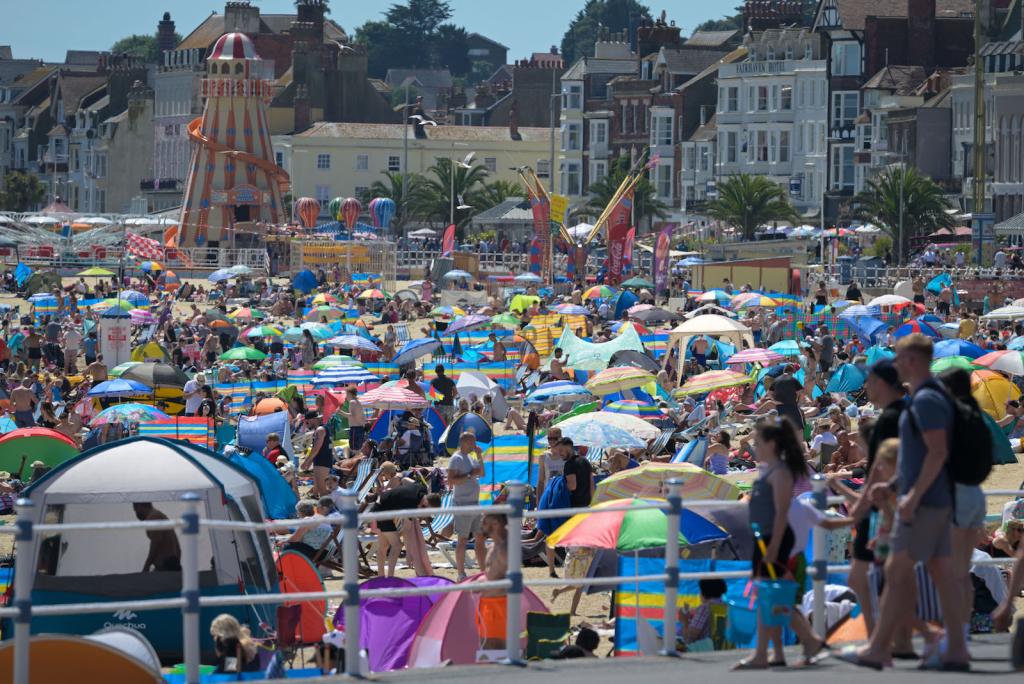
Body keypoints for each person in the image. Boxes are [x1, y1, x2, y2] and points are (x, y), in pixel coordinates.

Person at [845, 333, 970, 671]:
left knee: (896, 571)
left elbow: (937, 452)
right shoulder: (928, 397)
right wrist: (895, 484)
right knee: (941, 574)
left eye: (899, 358)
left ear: (912, 361)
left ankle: (879, 648)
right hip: (934, 498)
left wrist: (910, 494)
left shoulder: (926, 400)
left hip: (924, 502)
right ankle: (955, 647)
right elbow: (919, 456)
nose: (895, 364)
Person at [733, 418, 826, 670]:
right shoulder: (770, 471)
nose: (755, 446)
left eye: (758, 442)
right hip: (764, 538)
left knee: (772, 596)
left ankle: (797, 642)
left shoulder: (781, 473)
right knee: (770, 596)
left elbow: (783, 510)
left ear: (771, 444)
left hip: (774, 539)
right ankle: (776, 651)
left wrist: (773, 546)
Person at [371, 482, 441, 577]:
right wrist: (409, 554)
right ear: (426, 503)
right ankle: (390, 577)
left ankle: (381, 576)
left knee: (383, 546)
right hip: (382, 511)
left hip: (381, 505)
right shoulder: (411, 504)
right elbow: (406, 531)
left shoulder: (422, 489)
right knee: (397, 545)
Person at [448, 432, 486, 581]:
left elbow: (482, 473)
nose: (475, 445)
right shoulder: (456, 459)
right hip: (462, 503)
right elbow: (451, 480)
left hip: (475, 503)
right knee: (463, 539)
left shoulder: (470, 457)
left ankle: (483, 571)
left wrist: (480, 456)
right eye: (473, 442)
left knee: (480, 537)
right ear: (465, 442)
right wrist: (470, 475)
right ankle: (461, 573)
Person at [477, 512, 510, 650]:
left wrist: (485, 586)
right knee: (485, 647)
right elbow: (491, 575)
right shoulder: (492, 547)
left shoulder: (505, 550)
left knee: (497, 648)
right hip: (487, 605)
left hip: (499, 606)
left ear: (496, 524)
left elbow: (511, 584)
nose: (482, 524)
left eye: (485, 521)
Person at [133, 502, 182, 572]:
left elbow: (156, 543)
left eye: (135, 510)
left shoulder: (153, 517)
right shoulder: (161, 516)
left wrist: (146, 567)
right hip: (172, 564)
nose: (136, 513)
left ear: (139, 506)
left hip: (165, 566)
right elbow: (178, 549)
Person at [679, 579, 728, 646]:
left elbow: (690, 637)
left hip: (704, 650)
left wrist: (684, 621)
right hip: (723, 648)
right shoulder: (726, 606)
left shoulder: (705, 608)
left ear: (704, 592)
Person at [300, 410, 333, 497]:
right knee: (319, 488)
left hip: (323, 460)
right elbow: (316, 448)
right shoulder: (320, 429)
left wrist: (306, 461)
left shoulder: (320, 430)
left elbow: (316, 448)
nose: (306, 424)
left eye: (307, 422)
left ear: (313, 419)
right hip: (321, 459)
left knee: (323, 490)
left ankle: (330, 509)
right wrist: (310, 461)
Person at [336, 387, 366, 451]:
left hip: (355, 428)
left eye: (346, 394)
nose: (346, 396)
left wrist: (340, 412)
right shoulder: (358, 402)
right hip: (360, 428)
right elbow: (362, 417)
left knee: (354, 449)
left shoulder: (352, 402)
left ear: (349, 393)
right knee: (359, 449)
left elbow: (352, 415)